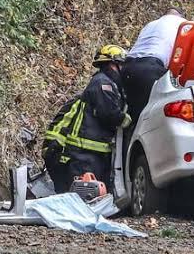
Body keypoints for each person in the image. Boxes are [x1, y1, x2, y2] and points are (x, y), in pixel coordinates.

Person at [42, 45, 131, 193]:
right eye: (122, 64)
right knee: (82, 195)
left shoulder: (108, 83)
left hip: (90, 154)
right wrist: (125, 120)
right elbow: (108, 113)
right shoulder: (103, 83)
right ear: (112, 64)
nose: (124, 69)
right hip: (83, 154)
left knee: (92, 195)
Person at [122, 8, 186, 122]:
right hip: (151, 68)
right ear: (180, 16)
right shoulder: (183, 24)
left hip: (127, 66)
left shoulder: (151, 24)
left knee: (128, 110)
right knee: (148, 117)